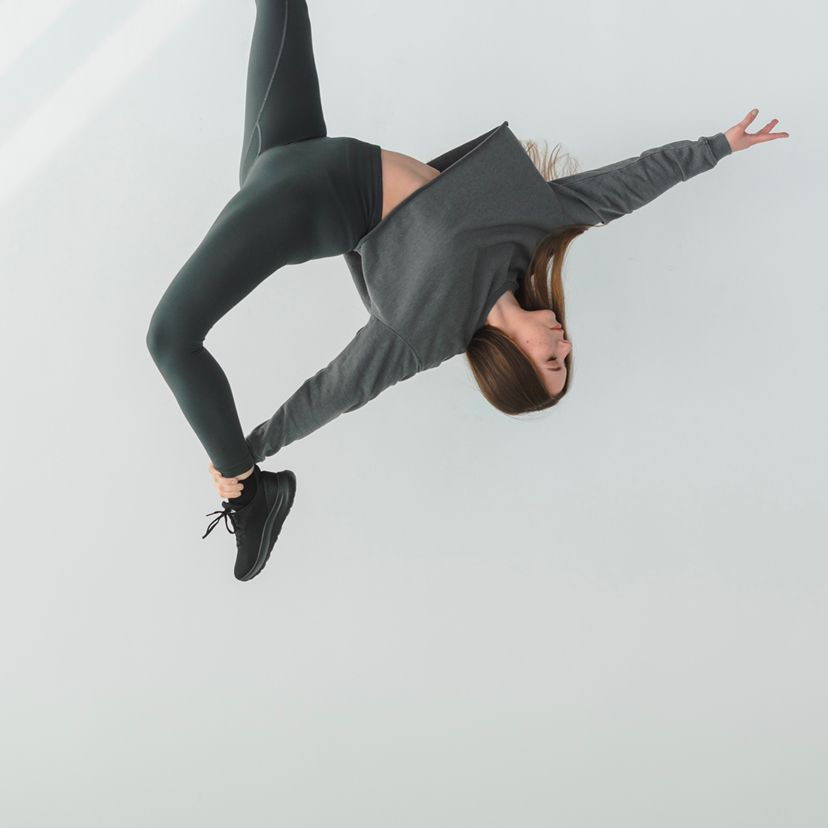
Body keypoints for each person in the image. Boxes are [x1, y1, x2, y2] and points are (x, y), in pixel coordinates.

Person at [146, 0, 789, 583]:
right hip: (296, 154)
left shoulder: (427, 335)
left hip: (300, 202)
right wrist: (717, 148)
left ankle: (250, 498)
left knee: (170, 337)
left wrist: (245, 453)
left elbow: (337, 389)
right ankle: (247, 483)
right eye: (565, 358)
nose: (564, 345)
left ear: (516, 363)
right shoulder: (531, 236)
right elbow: (620, 190)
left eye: (553, 362)